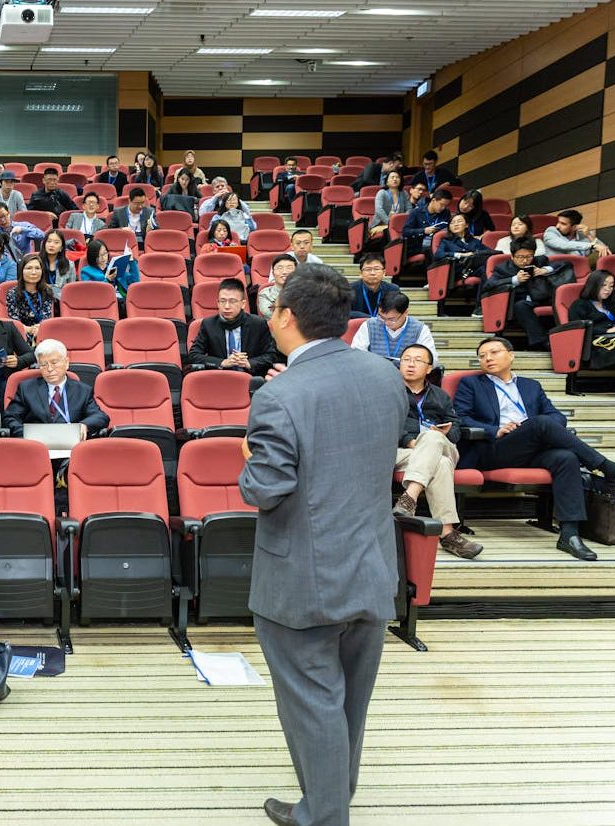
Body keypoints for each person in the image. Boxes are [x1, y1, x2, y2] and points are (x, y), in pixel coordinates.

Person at [238, 264, 409, 826]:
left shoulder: (281, 394)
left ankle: (326, 814)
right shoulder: (386, 376)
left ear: (287, 317)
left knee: (312, 702)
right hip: (373, 565)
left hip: (302, 580)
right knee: (349, 703)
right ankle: (333, 795)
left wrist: (247, 461)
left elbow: (267, 489)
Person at [455, 337, 615, 560]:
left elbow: (556, 416)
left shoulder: (530, 386)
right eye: (482, 356)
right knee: (540, 423)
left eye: (494, 352)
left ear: (511, 355)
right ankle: (608, 467)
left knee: (565, 457)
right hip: (494, 448)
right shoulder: (472, 384)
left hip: (532, 447)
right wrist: (495, 429)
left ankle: (570, 534)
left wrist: (538, 430)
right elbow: (460, 418)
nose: (487, 358)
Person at [391, 343, 484, 559]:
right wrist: (409, 440)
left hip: (442, 446)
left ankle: (409, 497)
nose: (411, 364)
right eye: (406, 359)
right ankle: (448, 533)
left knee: (433, 438)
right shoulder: (389, 392)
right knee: (440, 464)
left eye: (417, 360)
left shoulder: (440, 395)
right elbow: (383, 423)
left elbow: (456, 427)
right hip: (403, 451)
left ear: (429, 368)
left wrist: (444, 434)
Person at [2, 338, 108, 439]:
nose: (49, 369)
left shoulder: (82, 391)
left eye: (54, 363)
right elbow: (10, 418)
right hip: (36, 446)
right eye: (43, 365)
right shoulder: (26, 389)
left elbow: (100, 416)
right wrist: (28, 434)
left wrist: (84, 425)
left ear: (66, 362)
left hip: (70, 447)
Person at [187, 278, 281, 375]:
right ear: (218, 303)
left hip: (251, 378)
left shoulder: (258, 324)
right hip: (220, 376)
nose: (227, 306)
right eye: (223, 301)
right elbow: (194, 355)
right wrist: (222, 362)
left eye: (232, 301)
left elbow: (271, 355)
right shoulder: (208, 324)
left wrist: (249, 363)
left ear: (243, 304)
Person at [481, 237, 559, 350]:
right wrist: (514, 280)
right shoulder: (503, 268)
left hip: (541, 299)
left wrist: (546, 270)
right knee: (521, 306)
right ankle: (543, 342)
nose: (525, 261)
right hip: (516, 304)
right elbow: (488, 285)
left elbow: (564, 264)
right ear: (512, 256)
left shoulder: (540, 261)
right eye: (520, 257)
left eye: (529, 256)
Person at [568, 270, 615, 385]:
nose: (608, 289)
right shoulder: (580, 304)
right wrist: (607, 330)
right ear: (594, 285)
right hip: (597, 348)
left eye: (611, 286)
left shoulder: (612, 306)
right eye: (604, 285)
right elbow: (577, 329)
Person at [351, 290, 438, 366]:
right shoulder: (369, 325)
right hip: (375, 374)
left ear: (405, 313)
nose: (385, 322)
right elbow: (356, 354)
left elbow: (432, 361)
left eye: (391, 319)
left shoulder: (420, 329)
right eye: (381, 317)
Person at [7, 253, 56, 340]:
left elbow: (46, 316)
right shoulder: (12, 293)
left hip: (43, 331)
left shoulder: (47, 291)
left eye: (37, 268)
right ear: (21, 271)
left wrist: (39, 328)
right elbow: (14, 320)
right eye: (29, 268)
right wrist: (28, 329)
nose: (34, 272)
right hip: (20, 333)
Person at [436, 213, 493, 285]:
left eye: (459, 221)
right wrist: (461, 254)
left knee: (488, 269)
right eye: (452, 223)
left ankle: (488, 294)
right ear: (449, 227)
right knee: (484, 270)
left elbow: (488, 251)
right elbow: (438, 254)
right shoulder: (446, 241)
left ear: (466, 225)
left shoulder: (474, 241)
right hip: (459, 270)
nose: (456, 224)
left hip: (474, 268)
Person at [543, 208, 613, 260]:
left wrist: (589, 236)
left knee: (602, 254)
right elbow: (563, 245)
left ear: (574, 227)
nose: (557, 226)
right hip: (557, 269)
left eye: (563, 224)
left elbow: (604, 250)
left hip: (580, 269)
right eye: (558, 222)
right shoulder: (551, 231)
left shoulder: (583, 236)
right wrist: (592, 245)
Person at [402, 187, 453, 255]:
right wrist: (423, 230)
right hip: (419, 244)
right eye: (441, 204)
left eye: (446, 206)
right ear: (433, 200)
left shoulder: (446, 212)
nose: (443, 208)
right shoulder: (416, 212)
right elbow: (405, 231)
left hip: (438, 243)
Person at [351, 254, 402, 318]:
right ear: (360, 273)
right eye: (368, 269)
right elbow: (345, 312)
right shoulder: (349, 289)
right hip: (357, 326)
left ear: (384, 273)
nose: (373, 273)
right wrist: (369, 318)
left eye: (376, 269)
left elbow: (397, 312)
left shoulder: (393, 289)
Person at [258, 254, 297, 319]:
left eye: (289, 268)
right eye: (280, 268)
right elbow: (269, 314)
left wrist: (277, 307)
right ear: (273, 273)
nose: (284, 272)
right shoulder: (265, 294)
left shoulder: (304, 293)